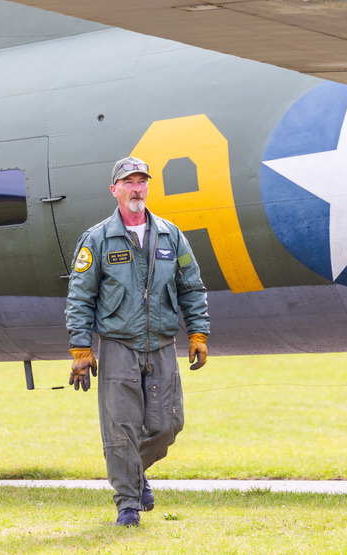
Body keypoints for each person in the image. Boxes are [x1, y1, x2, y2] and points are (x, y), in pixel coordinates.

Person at [65, 156, 210, 526]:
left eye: (141, 181)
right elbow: (80, 296)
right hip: (118, 346)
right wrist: (81, 349)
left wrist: (197, 332)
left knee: (167, 426)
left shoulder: (170, 234)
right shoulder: (97, 239)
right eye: (128, 182)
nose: (136, 188)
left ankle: (134, 472)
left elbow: (191, 286)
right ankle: (127, 503)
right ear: (115, 190)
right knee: (121, 428)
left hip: (161, 344)